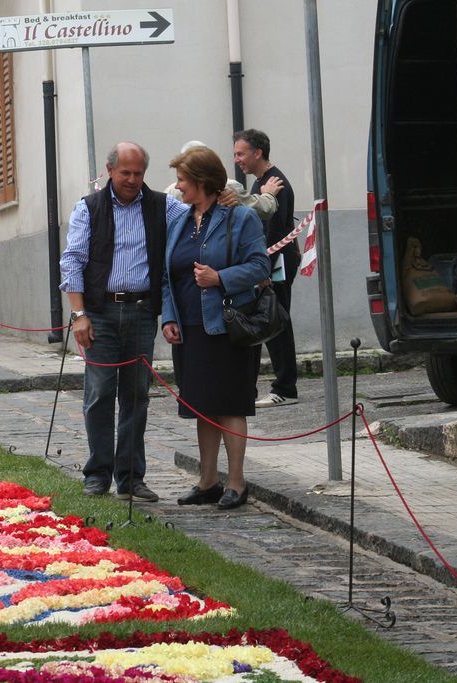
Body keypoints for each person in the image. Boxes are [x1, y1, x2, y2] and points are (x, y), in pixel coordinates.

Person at [59, 141, 189, 502]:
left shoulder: (162, 206)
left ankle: (131, 477)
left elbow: (199, 212)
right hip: (99, 313)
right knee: (99, 393)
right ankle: (97, 474)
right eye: (125, 173)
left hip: (142, 312)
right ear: (110, 170)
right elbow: (72, 261)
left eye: (138, 173)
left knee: (136, 396)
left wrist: (227, 197)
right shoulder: (89, 208)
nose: (132, 180)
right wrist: (79, 315)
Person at [161, 146, 270, 510]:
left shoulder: (240, 218)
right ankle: (207, 481)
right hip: (189, 329)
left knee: (230, 404)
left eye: (182, 180)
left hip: (227, 327)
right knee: (202, 406)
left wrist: (219, 277)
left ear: (202, 181)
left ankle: (236, 482)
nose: (178, 187)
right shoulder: (179, 221)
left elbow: (260, 267)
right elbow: (167, 276)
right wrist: (169, 317)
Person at [233, 129, 299, 408]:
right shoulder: (261, 183)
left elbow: (274, 231)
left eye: (241, 153)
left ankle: (285, 388)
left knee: (276, 321)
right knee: (262, 322)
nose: (237, 159)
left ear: (257, 152)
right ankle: (250, 386)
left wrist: (262, 271)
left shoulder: (275, 182)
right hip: (265, 263)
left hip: (275, 263)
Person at [163, 140, 282, 219]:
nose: (178, 186)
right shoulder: (229, 188)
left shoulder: (170, 193)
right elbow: (264, 209)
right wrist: (269, 195)